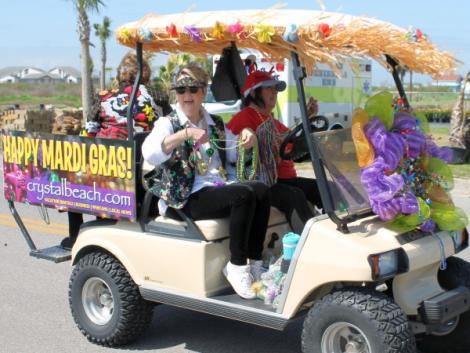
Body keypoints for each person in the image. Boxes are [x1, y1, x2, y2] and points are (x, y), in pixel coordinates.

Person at [142, 63, 271, 299]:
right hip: (184, 196)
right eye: (181, 91)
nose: (186, 96)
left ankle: (255, 262)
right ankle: (237, 265)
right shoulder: (168, 124)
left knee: (261, 190)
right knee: (243, 195)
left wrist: (247, 138)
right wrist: (185, 134)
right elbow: (150, 153)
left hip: (216, 187)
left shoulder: (215, 124)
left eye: (192, 89)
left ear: (203, 90)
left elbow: (232, 155)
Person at [61, 52, 166, 250]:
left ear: (120, 74)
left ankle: (75, 237)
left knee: (72, 177)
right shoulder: (157, 95)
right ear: (146, 73)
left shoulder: (104, 97)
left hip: (111, 170)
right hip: (146, 171)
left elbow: (88, 133)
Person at [227, 69, 323, 235]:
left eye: (275, 88)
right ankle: (310, 243)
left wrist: (307, 117)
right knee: (294, 195)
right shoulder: (245, 118)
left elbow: (289, 141)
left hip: (281, 179)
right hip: (260, 183)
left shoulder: (269, 118)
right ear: (254, 92)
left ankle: (338, 230)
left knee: (321, 187)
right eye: (269, 88)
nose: (275, 92)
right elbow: (237, 155)